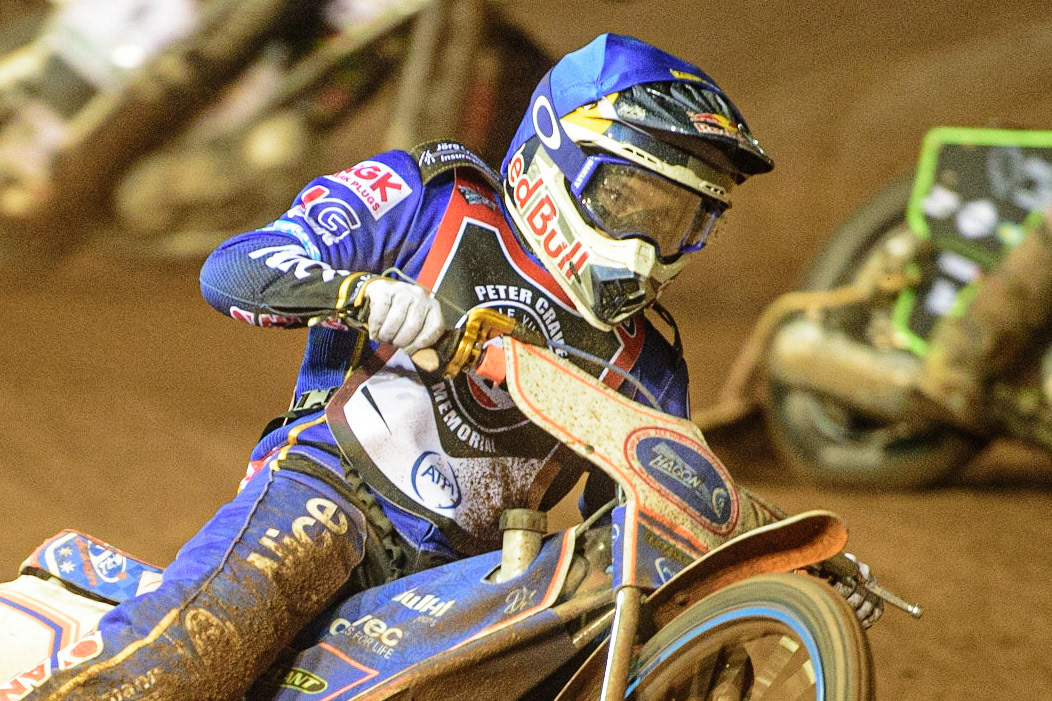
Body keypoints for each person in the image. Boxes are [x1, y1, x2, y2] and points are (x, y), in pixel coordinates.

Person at [15, 33, 880, 700]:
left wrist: (776, 566)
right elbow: (232, 270)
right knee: (187, 657)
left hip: (482, 576)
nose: (653, 246)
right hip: (332, 496)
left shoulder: (647, 354)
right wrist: (363, 296)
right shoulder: (434, 201)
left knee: (665, 632)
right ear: (557, 157)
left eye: (685, 220)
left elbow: (642, 527)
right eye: (634, 203)